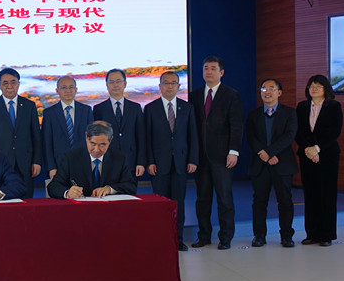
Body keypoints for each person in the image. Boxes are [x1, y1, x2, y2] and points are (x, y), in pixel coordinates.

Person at [188, 55, 243, 250]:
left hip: (223, 156)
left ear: (222, 72)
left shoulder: (231, 95)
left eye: (213, 68)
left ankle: (225, 237)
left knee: (224, 198)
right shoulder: (194, 95)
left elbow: (236, 125)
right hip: (200, 157)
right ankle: (203, 236)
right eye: (205, 68)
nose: (208, 71)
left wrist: (233, 151)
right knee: (202, 199)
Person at [144, 71, 199, 251]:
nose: (169, 86)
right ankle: (161, 239)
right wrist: (150, 161)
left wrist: (193, 159)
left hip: (181, 164)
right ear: (160, 86)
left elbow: (193, 136)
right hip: (159, 164)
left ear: (178, 86)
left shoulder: (187, 108)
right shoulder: (150, 109)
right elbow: (147, 138)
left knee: (178, 203)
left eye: (173, 83)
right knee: (160, 204)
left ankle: (178, 239)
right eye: (166, 83)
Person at [245, 78, 298, 248]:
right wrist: (265, 153)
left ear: (279, 93)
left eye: (271, 88)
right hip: (260, 164)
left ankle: (286, 236)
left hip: (282, 163)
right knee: (259, 201)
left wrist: (271, 152)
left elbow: (289, 136)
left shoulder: (290, 113)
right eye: (263, 89)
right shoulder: (253, 115)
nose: (267, 92)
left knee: (285, 201)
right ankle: (259, 236)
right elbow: (250, 137)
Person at [295, 75, 343, 247]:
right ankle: (312, 233)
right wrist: (309, 149)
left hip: (328, 155)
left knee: (327, 194)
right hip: (307, 155)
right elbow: (298, 131)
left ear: (325, 88)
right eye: (311, 86)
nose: (314, 89)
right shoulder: (302, 106)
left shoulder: (334, 106)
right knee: (310, 194)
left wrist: (317, 148)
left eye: (318, 86)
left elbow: (335, 131)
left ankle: (326, 235)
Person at [0, 68, 42, 198]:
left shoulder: (29, 106)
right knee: (2, 202)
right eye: (5, 83)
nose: (10, 86)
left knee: (26, 201)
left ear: (18, 84)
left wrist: (37, 161)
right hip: (0, 164)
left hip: (26, 164)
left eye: (13, 82)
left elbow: (36, 136)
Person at [47, 121, 137, 199]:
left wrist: (109, 189)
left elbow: (131, 186)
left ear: (110, 140)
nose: (97, 150)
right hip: (79, 209)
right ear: (86, 138)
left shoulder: (119, 158)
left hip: (109, 208)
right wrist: (68, 193)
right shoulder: (71, 158)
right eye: (93, 144)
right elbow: (53, 186)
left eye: (102, 145)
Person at [92, 69, 146, 184]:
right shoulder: (98, 109)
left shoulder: (135, 108)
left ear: (125, 84)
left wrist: (140, 162)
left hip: (130, 163)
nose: (115, 85)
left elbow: (141, 137)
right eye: (111, 82)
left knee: (129, 194)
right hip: (106, 163)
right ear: (106, 85)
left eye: (118, 81)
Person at [42, 75, 92, 179]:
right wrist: (51, 167)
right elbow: (47, 143)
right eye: (64, 87)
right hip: (59, 164)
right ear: (57, 91)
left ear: (76, 90)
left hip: (84, 164)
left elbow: (92, 139)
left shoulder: (86, 110)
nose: (68, 90)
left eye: (71, 87)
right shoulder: (49, 113)